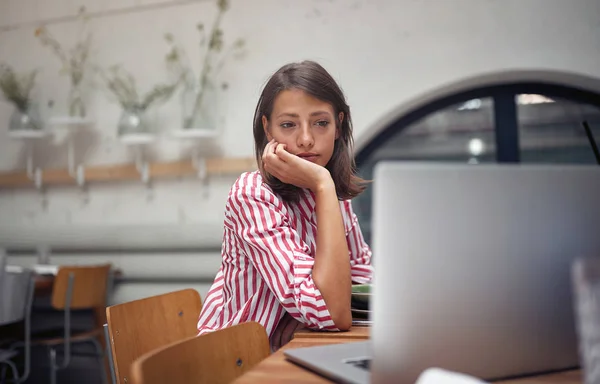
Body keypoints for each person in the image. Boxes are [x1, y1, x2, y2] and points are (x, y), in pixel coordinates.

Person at [196, 60, 373, 351]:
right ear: (268, 129)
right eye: (288, 125)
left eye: (321, 123)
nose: (305, 139)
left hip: (290, 352)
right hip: (233, 364)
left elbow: (361, 277)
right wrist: (323, 184)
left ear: (339, 125)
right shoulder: (252, 194)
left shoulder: (330, 195)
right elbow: (331, 313)